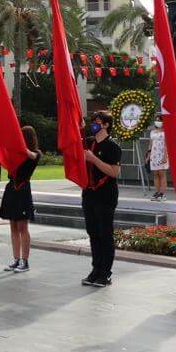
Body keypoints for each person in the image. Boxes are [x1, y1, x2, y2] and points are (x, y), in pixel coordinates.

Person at [81, 110, 122, 288]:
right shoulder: (89, 143)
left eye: (98, 121)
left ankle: (106, 272)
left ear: (106, 124)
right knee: (93, 233)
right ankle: (95, 269)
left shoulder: (112, 146)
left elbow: (114, 172)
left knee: (105, 234)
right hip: (89, 193)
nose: (94, 124)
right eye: (93, 121)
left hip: (105, 195)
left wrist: (93, 160)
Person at [0, 126, 42, 273]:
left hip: (22, 189)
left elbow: (31, 155)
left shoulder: (36, 153)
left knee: (23, 227)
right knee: (13, 226)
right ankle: (16, 259)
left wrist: (18, 144)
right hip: (11, 188)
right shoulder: (16, 152)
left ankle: (25, 261)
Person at [147, 120, 169, 201]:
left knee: (162, 174)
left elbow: (167, 144)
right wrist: (148, 156)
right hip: (154, 155)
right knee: (155, 174)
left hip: (162, 154)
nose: (158, 122)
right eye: (156, 120)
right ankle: (157, 192)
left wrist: (165, 156)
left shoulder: (166, 131)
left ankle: (162, 193)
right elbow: (150, 144)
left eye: (160, 120)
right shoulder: (152, 132)